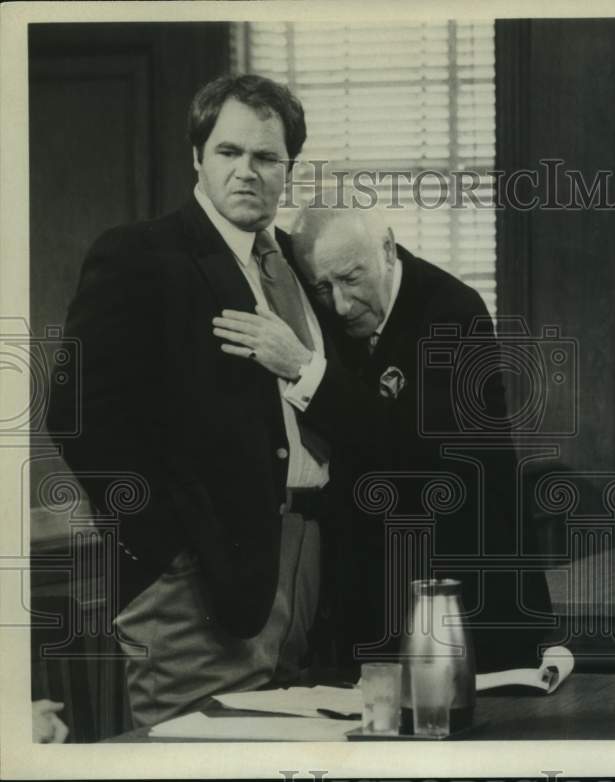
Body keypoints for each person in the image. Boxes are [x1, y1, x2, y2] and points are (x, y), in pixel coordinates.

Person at [47, 74, 329, 727]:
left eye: (266, 158)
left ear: (289, 168)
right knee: (199, 753)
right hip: (194, 579)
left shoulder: (294, 262)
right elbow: (76, 413)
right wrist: (164, 550)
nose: (247, 172)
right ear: (197, 157)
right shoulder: (140, 256)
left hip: (305, 559)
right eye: (228, 152)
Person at [213, 201, 554, 674]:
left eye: (352, 279)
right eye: (322, 287)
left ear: (388, 249)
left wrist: (302, 368)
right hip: (376, 596)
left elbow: (413, 454)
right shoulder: (333, 316)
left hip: (470, 594)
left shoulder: (454, 312)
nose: (341, 304)